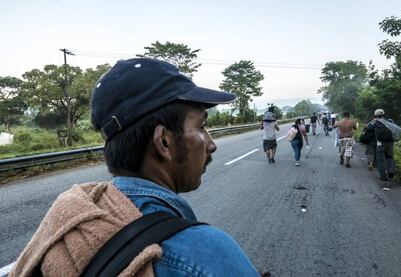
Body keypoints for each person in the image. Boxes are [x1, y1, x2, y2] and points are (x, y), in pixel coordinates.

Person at [10, 58, 261, 276]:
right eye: (200, 127)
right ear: (164, 141)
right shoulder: (203, 253)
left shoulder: (69, 223)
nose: (211, 144)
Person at [367, 109, 397, 181]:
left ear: (375, 115)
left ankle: (383, 176)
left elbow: (369, 128)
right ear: (383, 114)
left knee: (380, 159)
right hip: (390, 142)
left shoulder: (375, 122)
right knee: (389, 157)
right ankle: (391, 172)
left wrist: (372, 121)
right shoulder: (390, 121)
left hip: (380, 143)